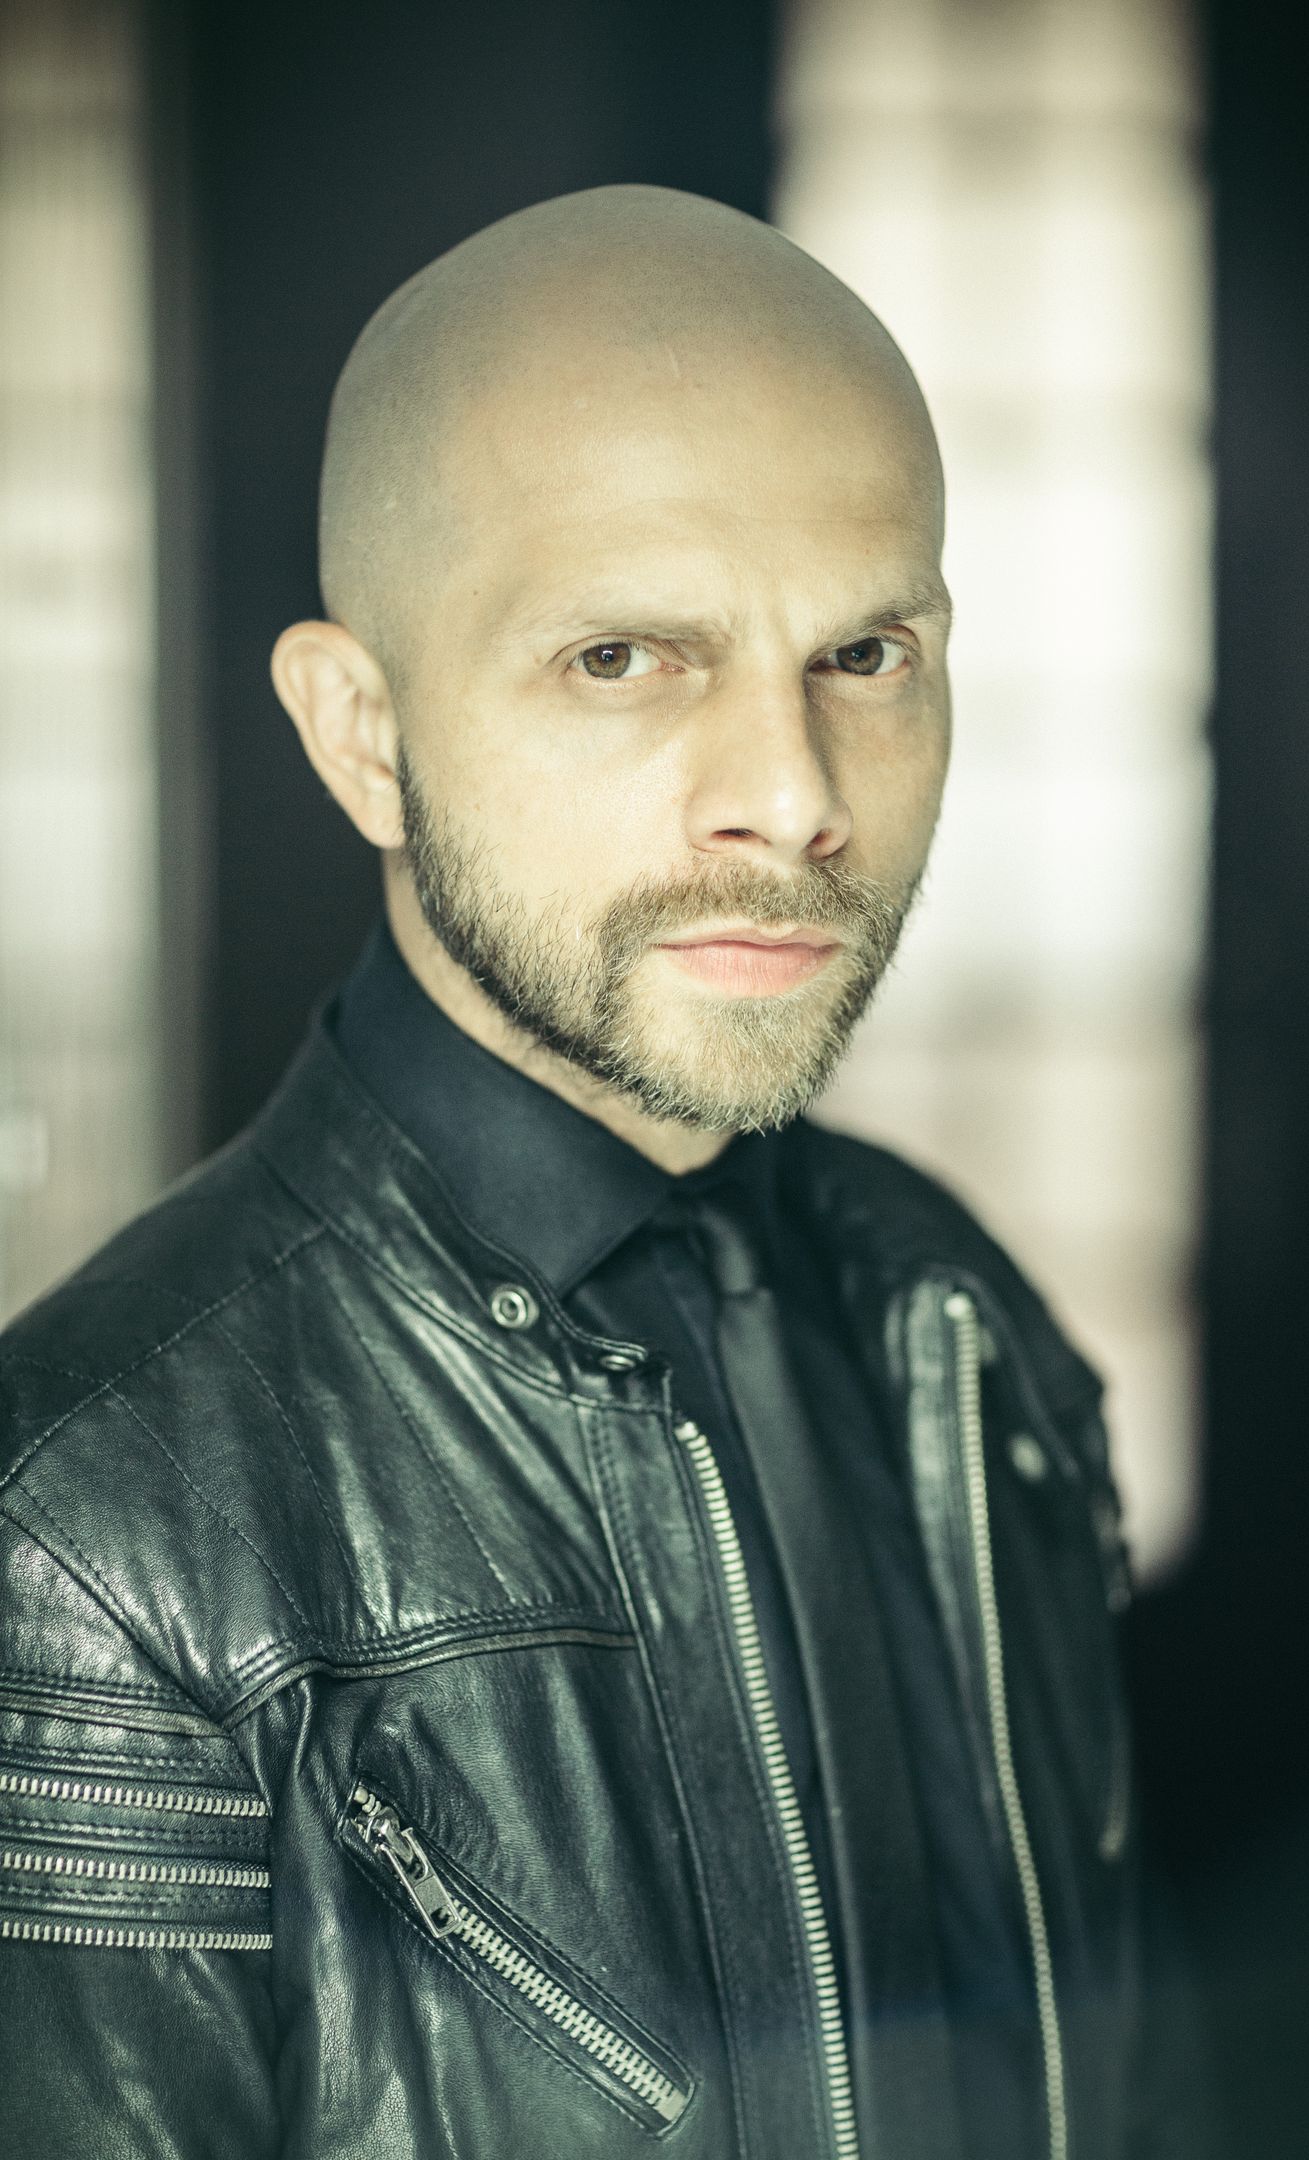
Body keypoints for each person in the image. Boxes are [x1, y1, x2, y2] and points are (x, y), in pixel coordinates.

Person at [0, 185, 1204, 2157]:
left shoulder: (951, 1317)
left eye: (865, 652)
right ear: (362, 734)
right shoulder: (90, 1537)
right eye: (626, 657)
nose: (794, 799)